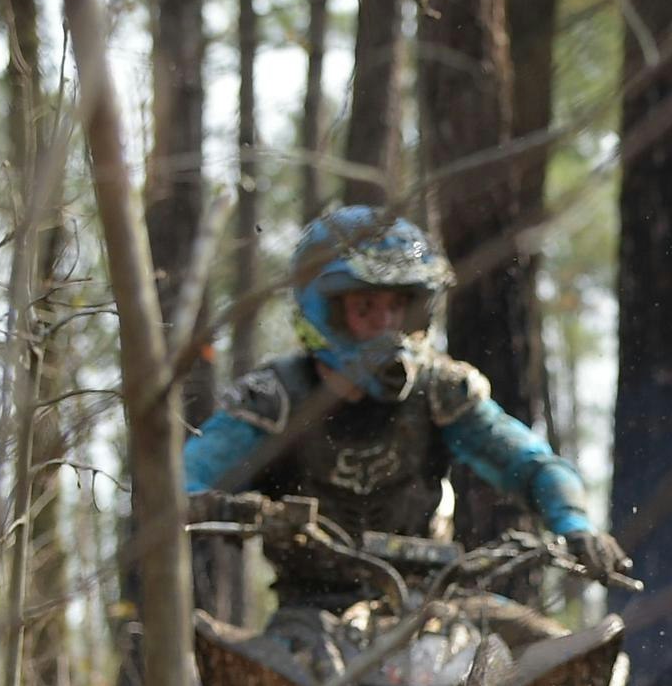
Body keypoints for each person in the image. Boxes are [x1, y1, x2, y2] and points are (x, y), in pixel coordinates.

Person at [181, 207, 632, 619]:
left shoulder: (440, 390)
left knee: (549, 657)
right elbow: (184, 480)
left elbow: (530, 462)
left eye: (397, 306)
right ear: (324, 310)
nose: (386, 325)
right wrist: (231, 507)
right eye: (365, 308)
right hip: (310, 610)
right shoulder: (272, 398)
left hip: (429, 606)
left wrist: (575, 526)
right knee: (242, 681)